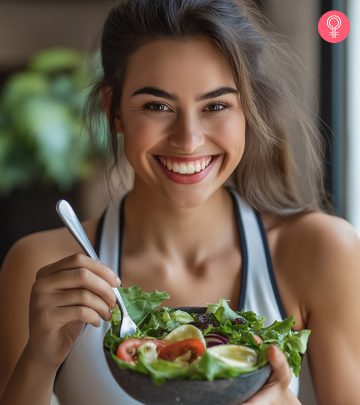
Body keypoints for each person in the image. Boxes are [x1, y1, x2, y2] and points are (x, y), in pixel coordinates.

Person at [0, 0, 359, 404]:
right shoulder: (42, 267)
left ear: (248, 110)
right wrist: (39, 359)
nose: (188, 140)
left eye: (216, 106)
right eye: (157, 106)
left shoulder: (322, 251)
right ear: (113, 111)